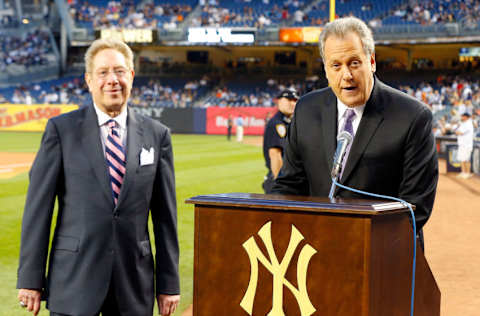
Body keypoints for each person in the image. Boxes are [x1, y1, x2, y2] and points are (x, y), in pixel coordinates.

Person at [17, 38, 180, 316]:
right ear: (89, 81)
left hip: (133, 284)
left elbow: (165, 217)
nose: (112, 80)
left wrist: (168, 283)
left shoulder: (157, 135)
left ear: (131, 75)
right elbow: (38, 208)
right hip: (74, 281)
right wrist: (31, 279)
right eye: (103, 72)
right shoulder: (61, 130)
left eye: (119, 71)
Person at [271, 17, 438, 239]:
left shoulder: (413, 117)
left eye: (354, 63)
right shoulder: (306, 109)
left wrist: (351, 244)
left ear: (372, 61)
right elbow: (289, 185)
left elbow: (415, 208)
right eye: (336, 65)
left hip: (382, 255)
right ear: (326, 69)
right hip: (315, 251)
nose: (346, 75)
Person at [262, 89, 299, 193]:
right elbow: (275, 155)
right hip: (281, 181)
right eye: (289, 100)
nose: (293, 103)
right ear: (279, 101)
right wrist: (280, 185)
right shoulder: (277, 123)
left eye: (295, 100)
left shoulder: (289, 122)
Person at [455, 112, 474, 178]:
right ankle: (463, 172)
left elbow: (460, 132)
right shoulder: (463, 123)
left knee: (467, 159)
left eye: (463, 116)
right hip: (462, 144)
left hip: (467, 145)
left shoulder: (469, 123)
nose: (462, 117)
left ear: (466, 117)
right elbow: (456, 131)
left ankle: (467, 173)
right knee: (462, 159)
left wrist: (457, 131)